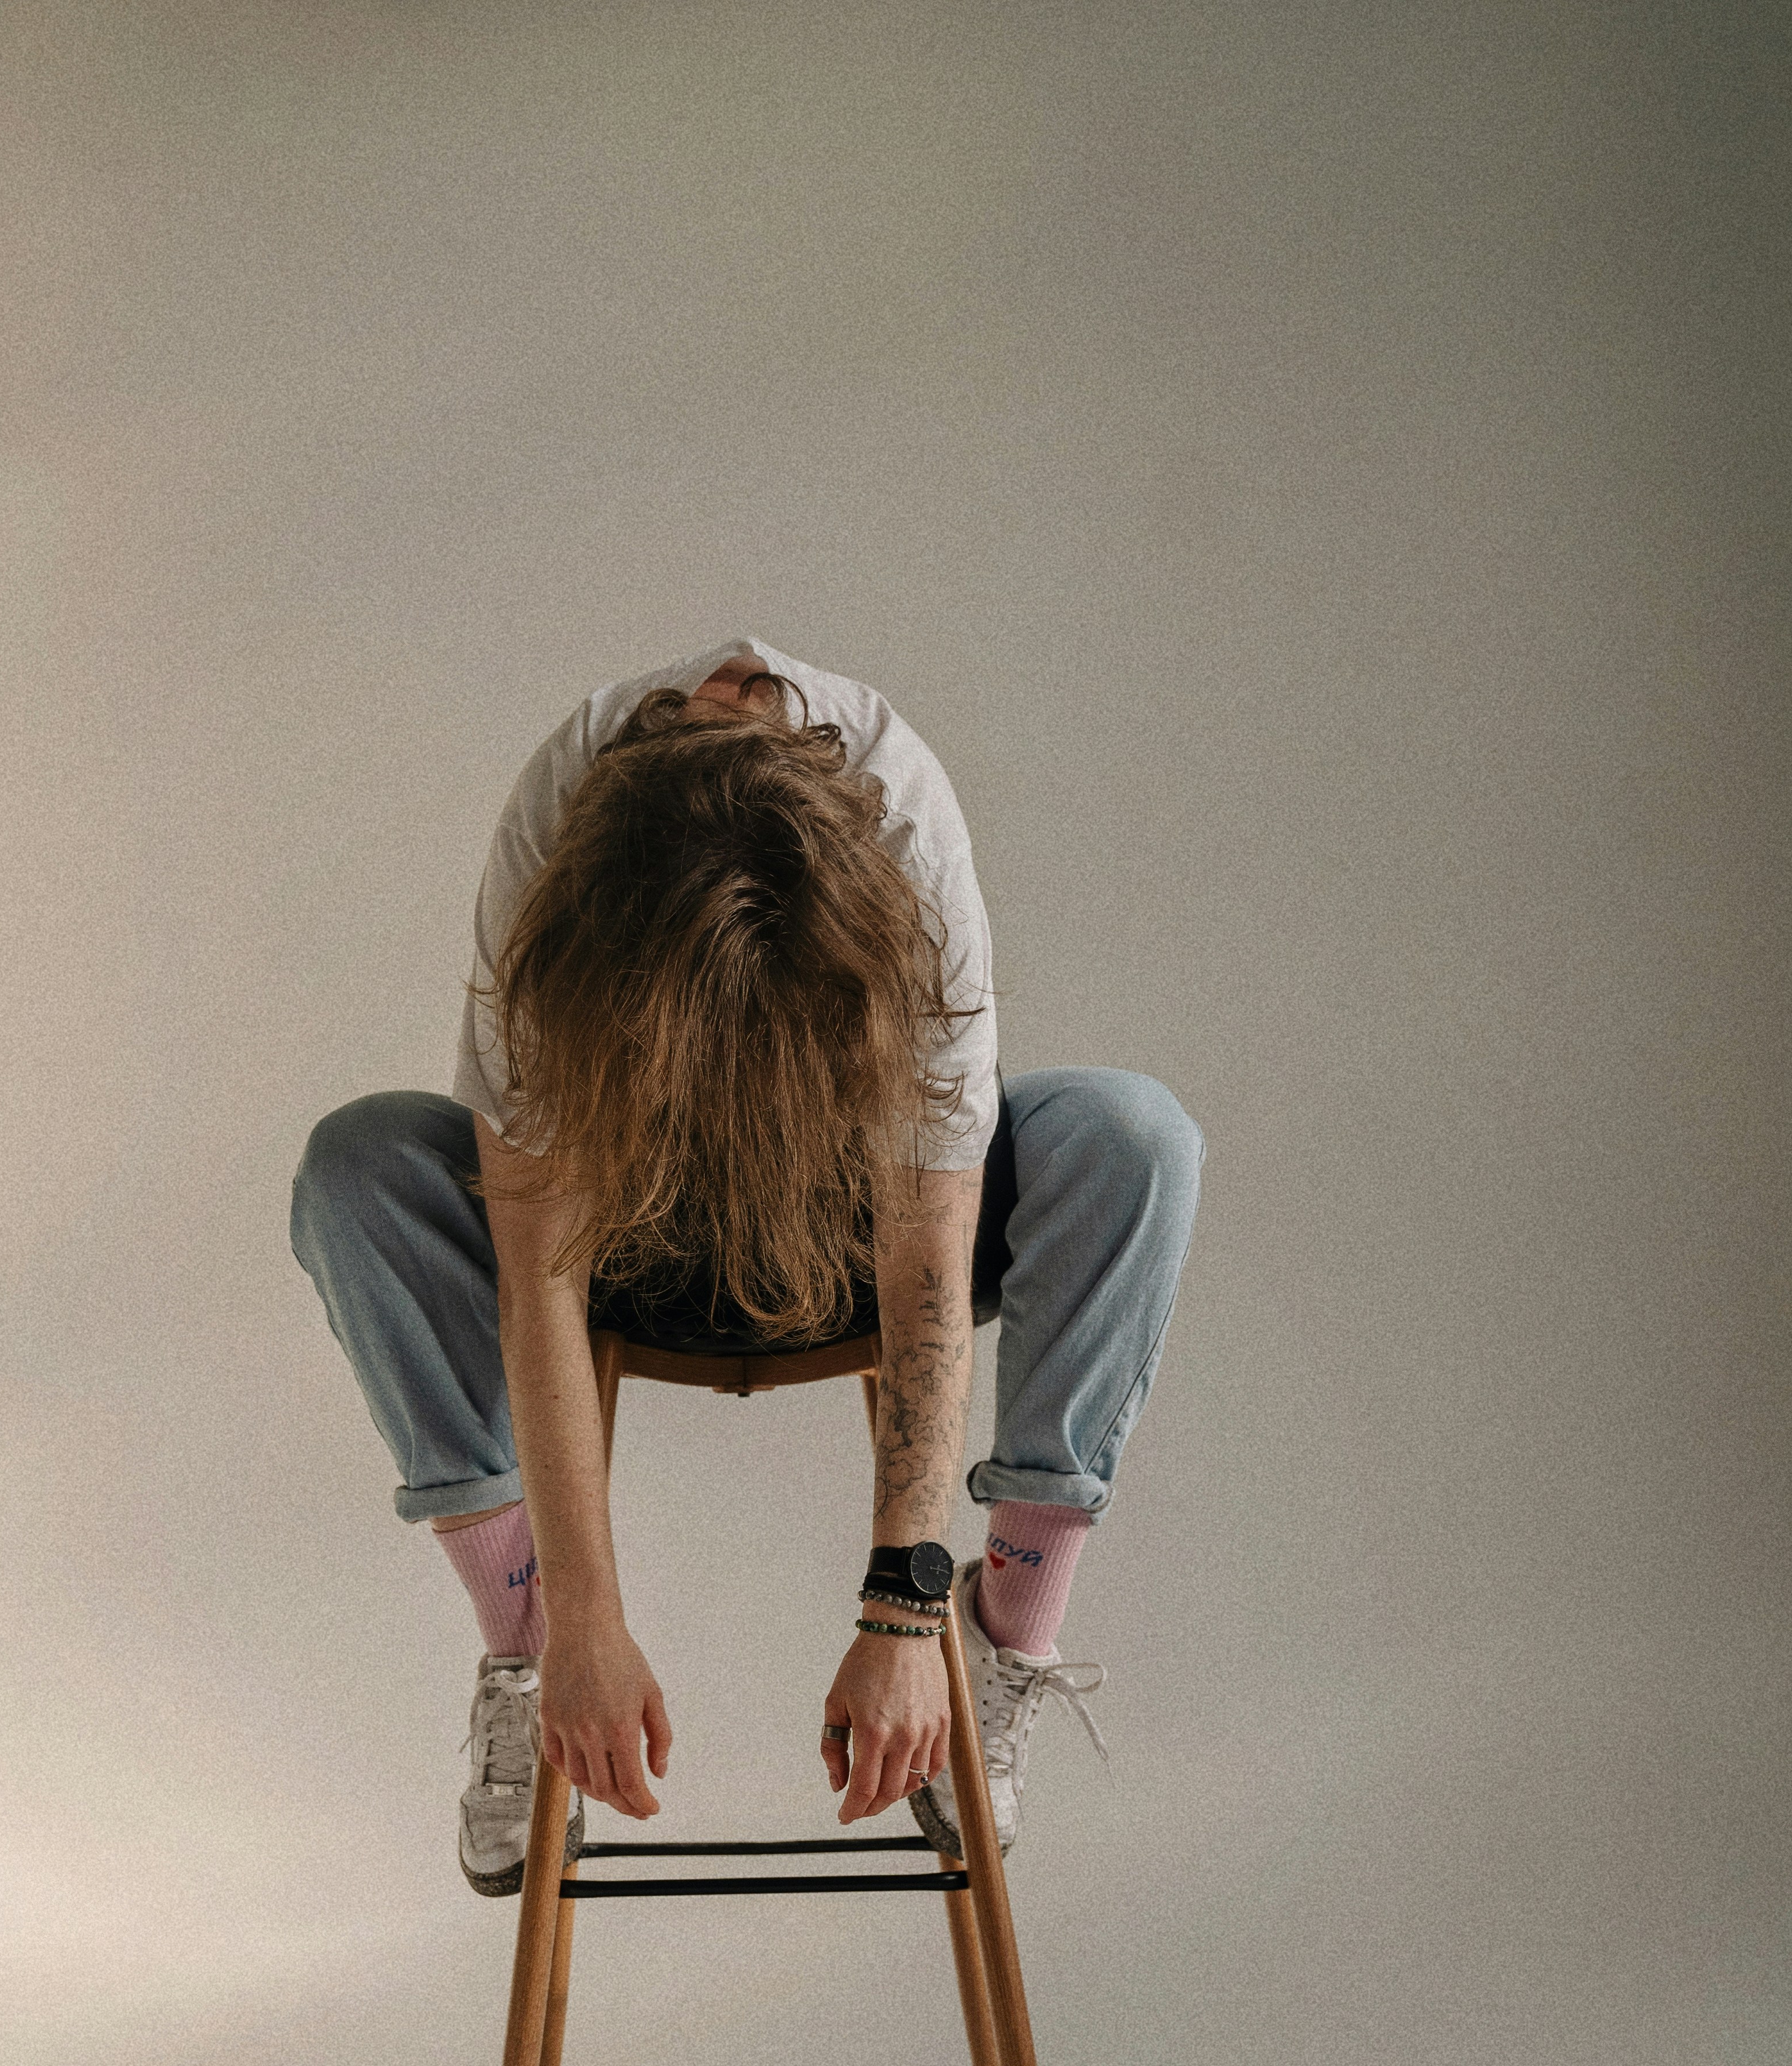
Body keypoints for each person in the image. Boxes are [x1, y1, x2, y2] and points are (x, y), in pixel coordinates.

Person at [290, 633, 1203, 1897]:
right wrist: (587, 1629)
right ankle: (523, 1633)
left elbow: (929, 1252)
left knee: (1133, 1138)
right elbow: (539, 1257)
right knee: (360, 1166)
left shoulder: (909, 830)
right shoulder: (558, 830)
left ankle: (1002, 1645)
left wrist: (901, 1616)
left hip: (854, 1228)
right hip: (632, 1224)